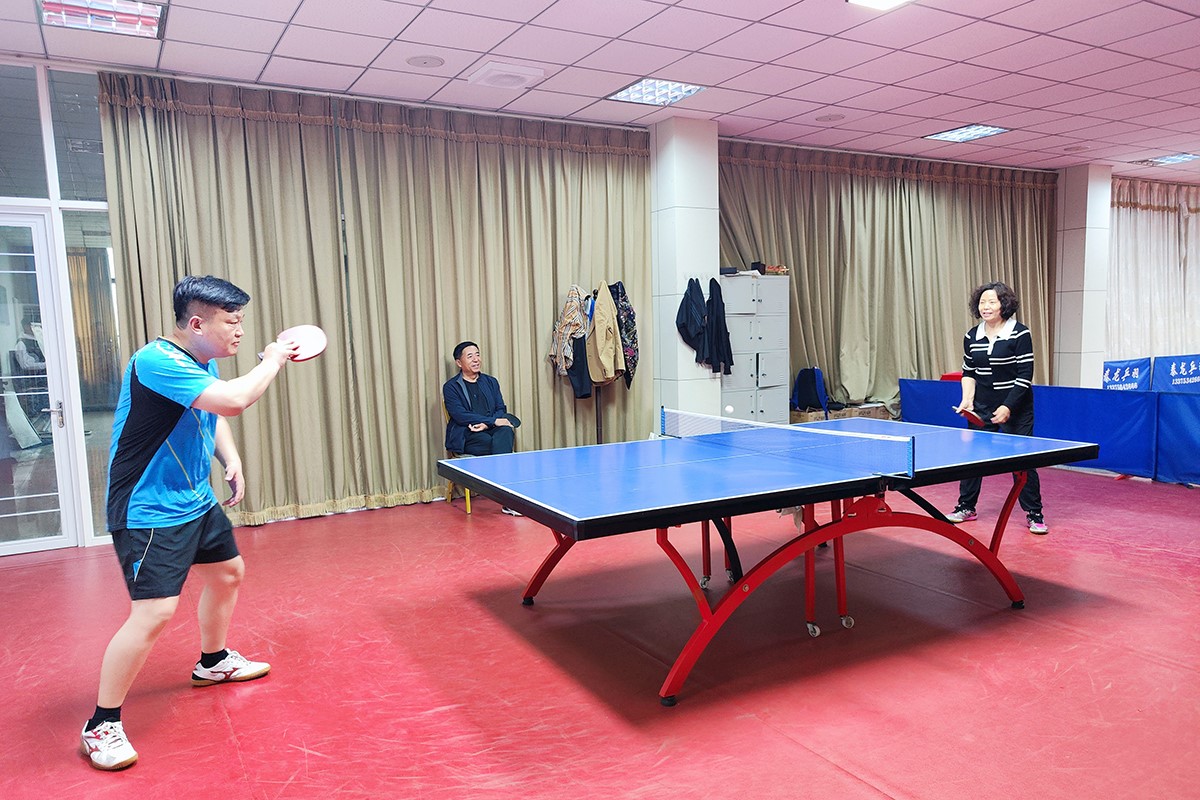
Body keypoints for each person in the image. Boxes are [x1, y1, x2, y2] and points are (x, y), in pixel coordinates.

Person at [80, 275, 298, 771]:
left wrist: (230, 458)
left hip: (193, 498)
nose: (240, 330)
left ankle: (213, 661)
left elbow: (212, 410)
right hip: (148, 508)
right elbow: (233, 400)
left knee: (227, 573)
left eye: (241, 320)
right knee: (154, 613)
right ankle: (101, 724)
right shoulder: (157, 361)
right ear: (197, 324)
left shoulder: (202, 359)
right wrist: (273, 359)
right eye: (231, 321)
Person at [945, 281, 1047, 535]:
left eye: (992, 301)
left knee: (1022, 460)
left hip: (1017, 405)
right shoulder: (972, 336)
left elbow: (1025, 375)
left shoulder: (1019, 333)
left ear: (1004, 305)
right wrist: (967, 399)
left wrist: (1007, 406)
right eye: (982, 302)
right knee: (972, 458)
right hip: (982, 405)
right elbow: (969, 372)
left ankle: (1034, 513)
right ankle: (966, 507)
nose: (986, 306)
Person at [442, 341, 521, 515]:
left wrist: (487, 423)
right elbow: (460, 415)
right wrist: (494, 421)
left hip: (491, 429)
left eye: (477, 355)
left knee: (506, 431)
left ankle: (507, 499)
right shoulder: (451, 387)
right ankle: (510, 497)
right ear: (459, 362)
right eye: (470, 356)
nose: (476, 359)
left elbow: (500, 408)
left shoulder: (491, 382)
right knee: (499, 445)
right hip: (468, 434)